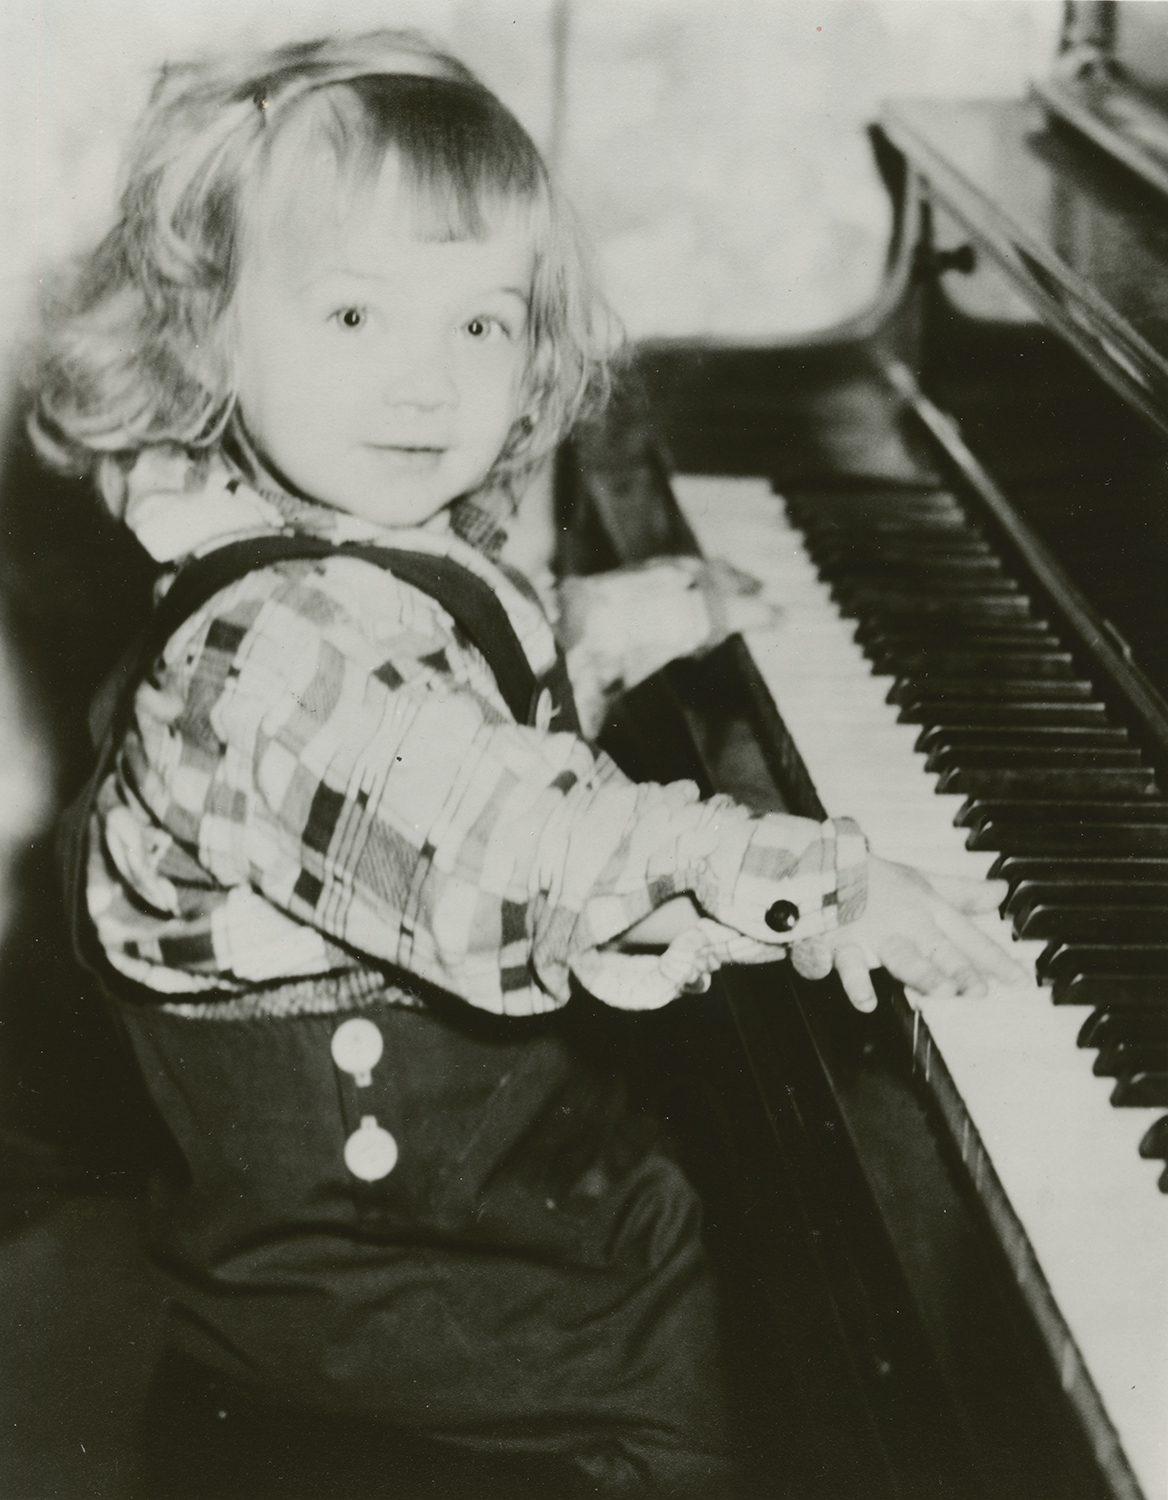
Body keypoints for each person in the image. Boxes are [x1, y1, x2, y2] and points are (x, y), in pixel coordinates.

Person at [30, 29, 1022, 1498]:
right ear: (208, 330)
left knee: (711, 1243)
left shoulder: (318, 555)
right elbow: (521, 841)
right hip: (382, 1302)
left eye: (482, 325)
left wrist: (625, 622)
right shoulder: (272, 660)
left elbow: (448, 692)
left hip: (453, 1213)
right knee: (700, 1358)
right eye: (355, 313)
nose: (427, 384)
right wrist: (815, 878)